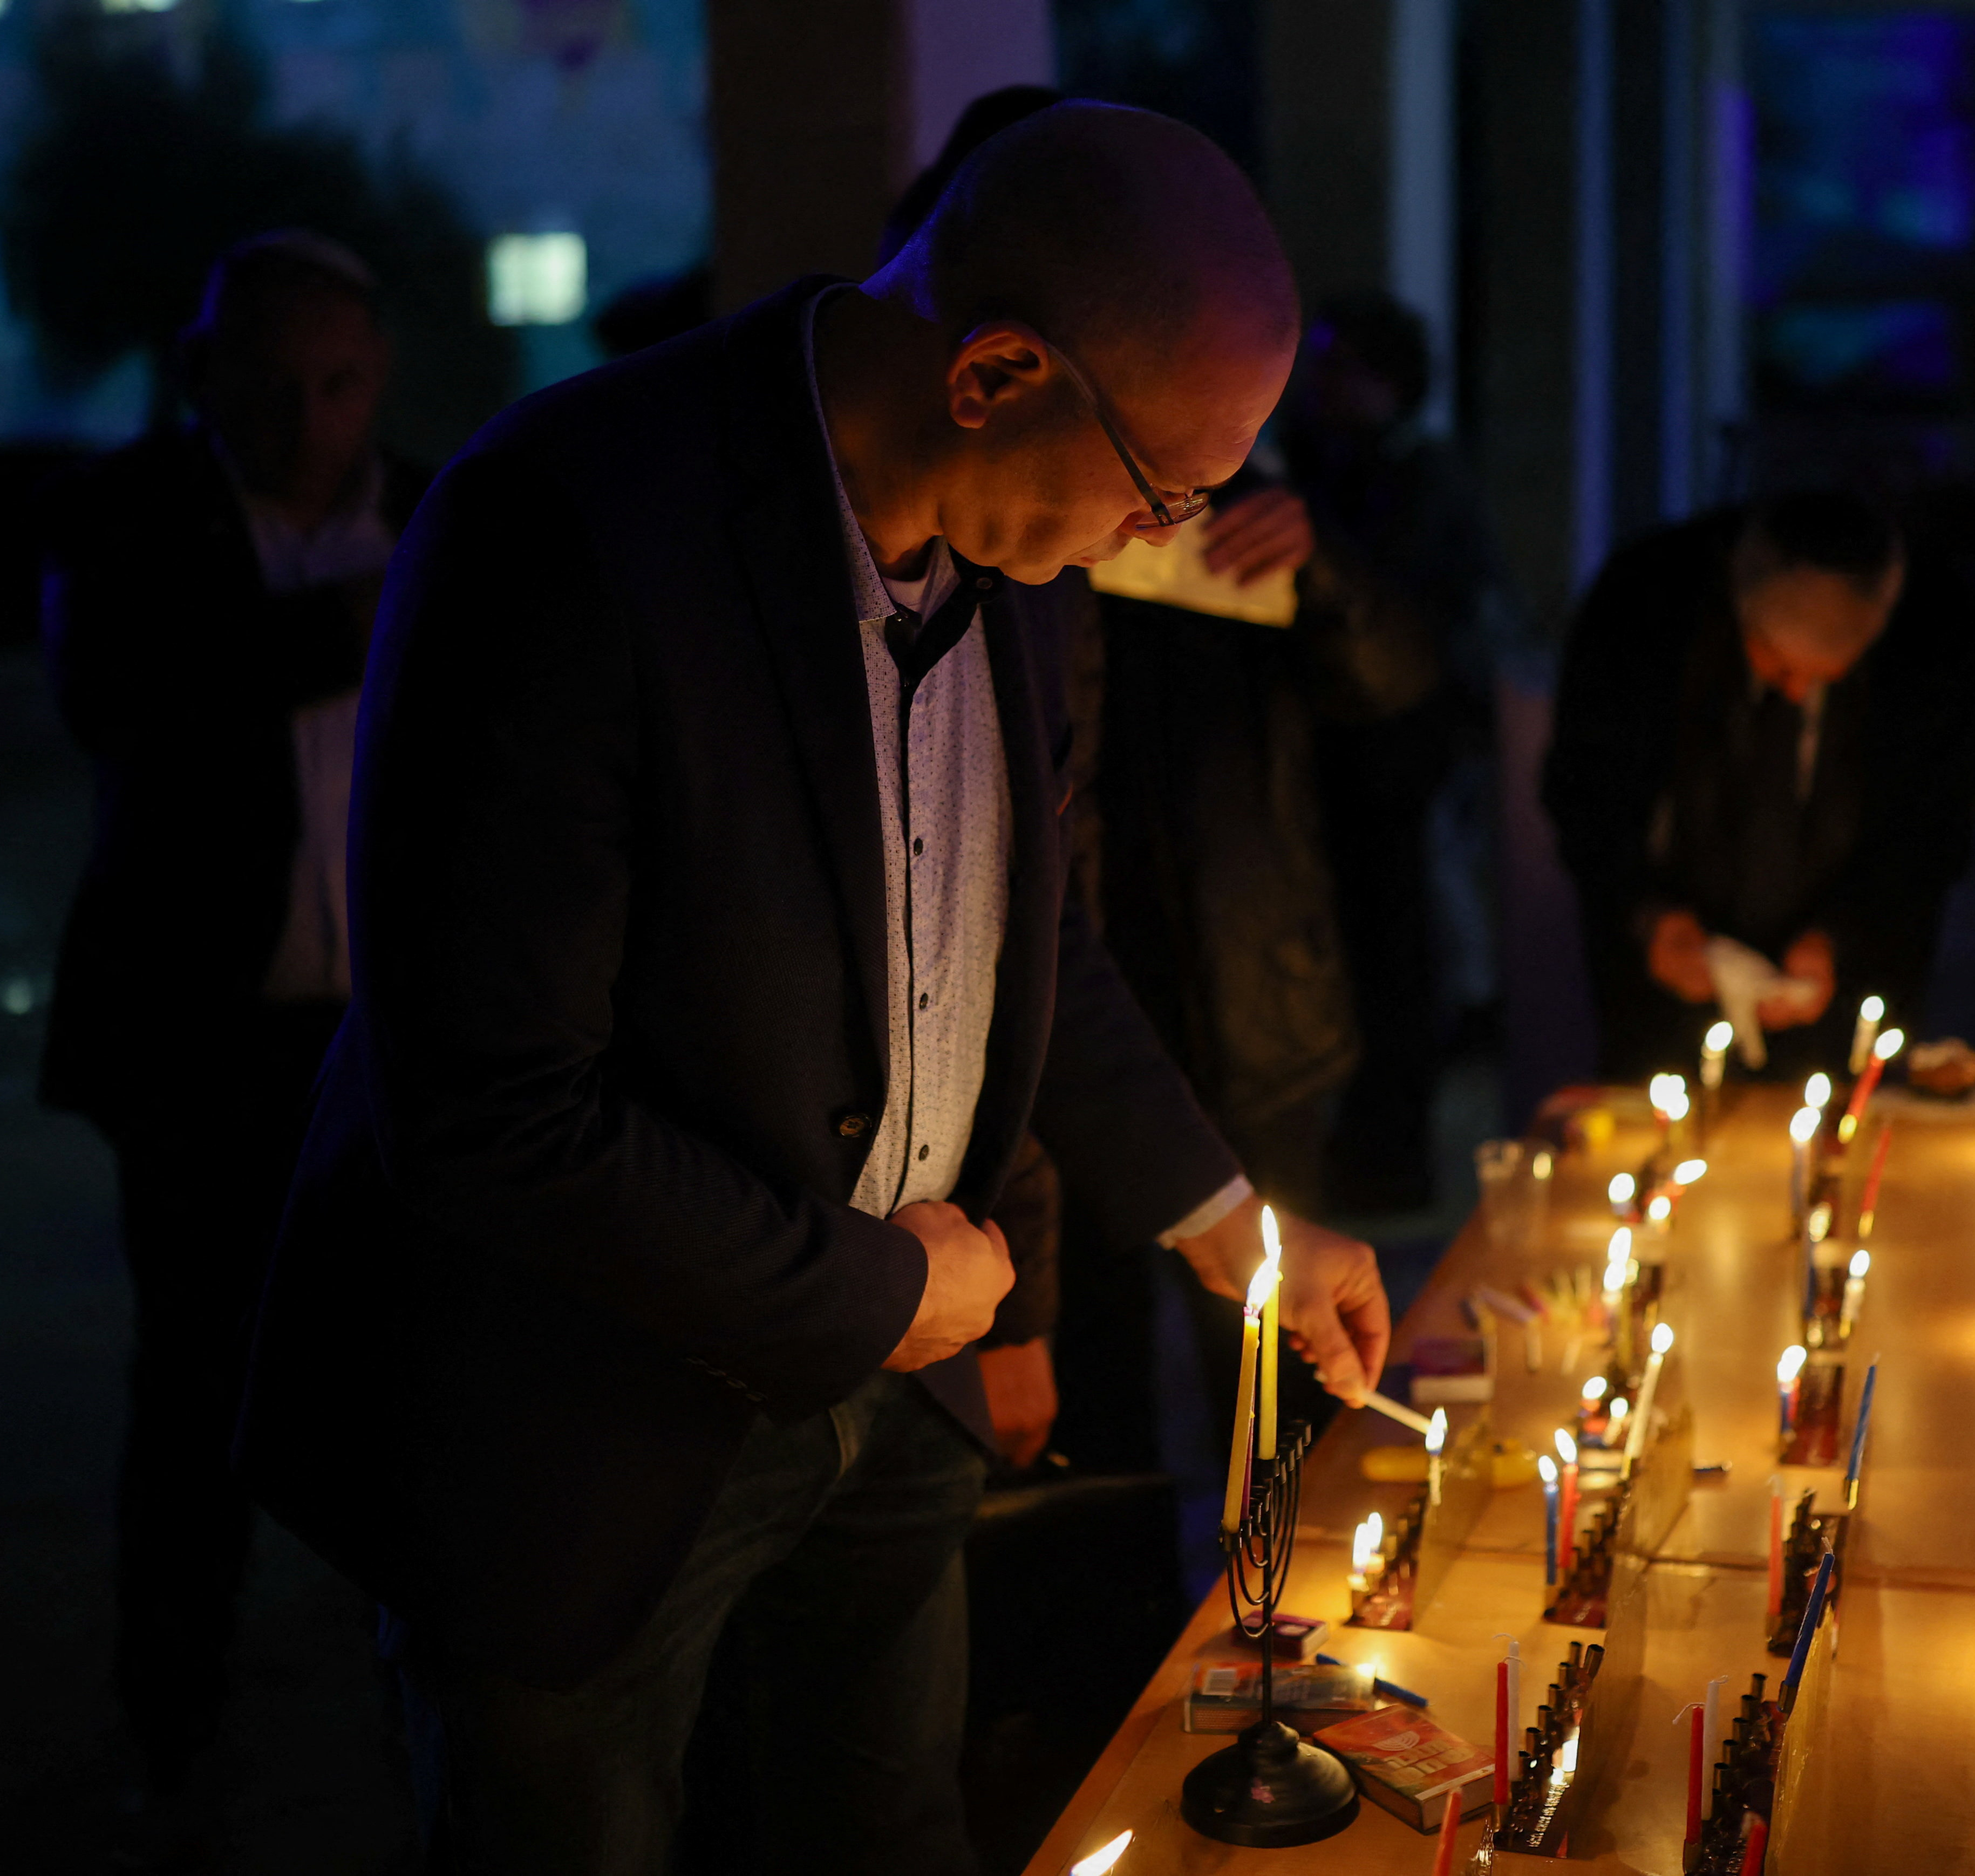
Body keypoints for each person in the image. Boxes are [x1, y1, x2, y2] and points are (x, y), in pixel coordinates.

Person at [235, 103, 1390, 1872]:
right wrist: (868, 1281)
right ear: (997, 371)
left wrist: (1236, 1225)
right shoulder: (564, 526)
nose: (1165, 528)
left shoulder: (1006, 558)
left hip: (891, 1404)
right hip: (594, 1425)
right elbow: (482, 1110)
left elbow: (1028, 943)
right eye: (1162, 486)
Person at [35, 229, 419, 1863]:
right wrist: (354, 624)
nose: (302, 418)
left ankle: (426, 1699)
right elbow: (120, 695)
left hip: (387, 1044)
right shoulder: (136, 518)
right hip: (200, 1045)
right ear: (201, 379)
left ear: (376, 380)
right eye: (265, 383)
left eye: (334, 383)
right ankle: (172, 1725)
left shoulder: (430, 507)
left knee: (413, 1386)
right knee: (194, 1403)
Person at [1212, 290, 1514, 1210]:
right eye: (1322, 363)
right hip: (1304, 753)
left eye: (1349, 368)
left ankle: (1385, 1154)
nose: (1326, 384)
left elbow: (1435, 613)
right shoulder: (1298, 463)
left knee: (1393, 955)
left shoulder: (1423, 481)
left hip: (1389, 753)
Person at [1542, 488, 1975, 1082]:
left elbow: (1934, 826)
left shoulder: (1932, 636)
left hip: (1848, 988)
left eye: (1825, 675)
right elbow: (1584, 790)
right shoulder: (1643, 604)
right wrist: (1649, 916)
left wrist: (1837, 937)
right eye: (1776, 665)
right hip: (1666, 996)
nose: (1796, 692)